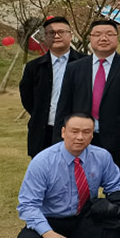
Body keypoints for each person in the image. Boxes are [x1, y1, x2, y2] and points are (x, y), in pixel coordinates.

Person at [15, 113, 120, 238]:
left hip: (85, 216)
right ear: (63, 132)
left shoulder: (102, 156)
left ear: (92, 135)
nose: (80, 137)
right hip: (52, 218)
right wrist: (47, 233)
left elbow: (115, 187)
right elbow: (28, 205)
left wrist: (116, 207)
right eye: (74, 131)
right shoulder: (43, 162)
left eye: (86, 132)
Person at [55, 19, 120, 185]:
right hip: (81, 135)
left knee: (117, 183)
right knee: (79, 182)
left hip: (118, 137)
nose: (103, 38)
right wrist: (60, 137)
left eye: (109, 34)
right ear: (90, 38)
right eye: (97, 34)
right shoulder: (75, 67)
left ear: (117, 38)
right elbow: (64, 104)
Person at [19, 16, 85, 157]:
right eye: (51, 33)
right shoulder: (34, 67)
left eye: (61, 32)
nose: (56, 36)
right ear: (45, 37)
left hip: (78, 131)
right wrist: (41, 113)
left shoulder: (86, 63)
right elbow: (27, 97)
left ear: (70, 35)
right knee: (44, 168)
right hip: (43, 131)